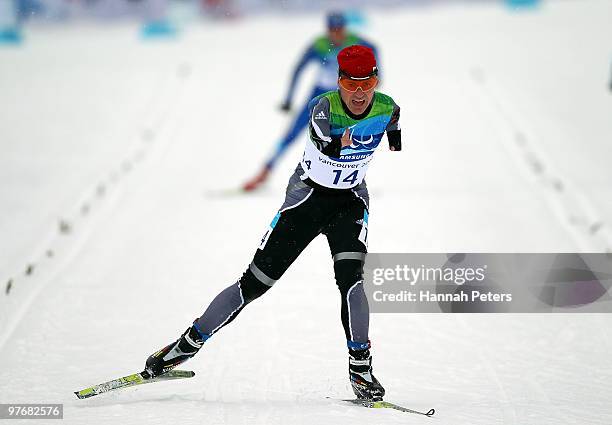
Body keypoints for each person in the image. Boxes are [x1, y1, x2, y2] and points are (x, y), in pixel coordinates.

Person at [145, 45, 401, 401]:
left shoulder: (388, 107)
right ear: (339, 81)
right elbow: (329, 148)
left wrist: (393, 138)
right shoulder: (324, 108)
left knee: (352, 280)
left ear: (376, 80)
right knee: (254, 284)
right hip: (306, 202)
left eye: (368, 82)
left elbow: (394, 124)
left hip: (350, 204)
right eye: (351, 83)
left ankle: (361, 369)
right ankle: (184, 346)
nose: (359, 92)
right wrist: (349, 140)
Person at [242, 11, 380, 191]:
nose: (336, 34)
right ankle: (265, 170)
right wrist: (289, 99)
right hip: (319, 96)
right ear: (328, 30)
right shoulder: (320, 45)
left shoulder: (356, 43)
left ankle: (345, 180)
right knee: (292, 133)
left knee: (346, 139)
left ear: (345, 29)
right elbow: (298, 69)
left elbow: (374, 49)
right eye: (333, 29)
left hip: (343, 98)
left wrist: (376, 76)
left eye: (340, 29)